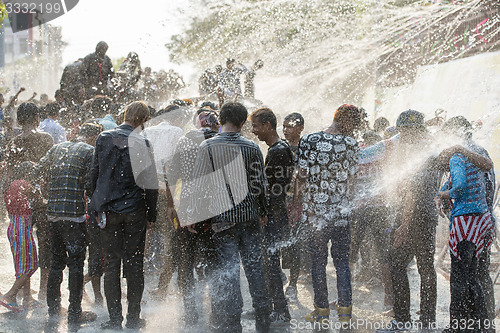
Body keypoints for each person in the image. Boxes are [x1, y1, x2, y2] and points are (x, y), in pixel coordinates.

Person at [187, 102, 271, 333]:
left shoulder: (208, 146)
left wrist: (193, 213)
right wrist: (262, 211)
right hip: (249, 217)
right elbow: (260, 185)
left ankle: (233, 324)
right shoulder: (252, 147)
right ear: (243, 122)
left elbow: (198, 185)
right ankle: (264, 317)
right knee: (255, 268)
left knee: (230, 271)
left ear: (221, 120)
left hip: (222, 219)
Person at [90, 101, 158, 330]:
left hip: (109, 210)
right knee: (135, 264)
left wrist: (96, 203)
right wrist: (152, 214)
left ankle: (114, 320)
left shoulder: (104, 138)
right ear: (144, 120)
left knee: (111, 265)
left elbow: (94, 175)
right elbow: (150, 182)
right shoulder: (143, 142)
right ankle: (133, 319)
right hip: (135, 211)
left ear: (126, 115)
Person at [293, 104, 362, 326]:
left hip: (315, 217)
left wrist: (297, 204)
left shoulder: (309, 140)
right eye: (354, 124)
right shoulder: (351, 144)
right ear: (344, 120)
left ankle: (322, 313)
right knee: (342, 262)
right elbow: (352, 182)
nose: (355, 130)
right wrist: (348, 205)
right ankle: (345, 315)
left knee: (318, 263)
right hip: (341, 215)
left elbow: (301, 176)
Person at [35, 121, 104, 329]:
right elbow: (91, 183)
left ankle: (53, 309)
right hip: (74, 218)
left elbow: (38, 171)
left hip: (53, 215)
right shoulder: (89, 151)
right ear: (94, 138)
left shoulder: (57, 148)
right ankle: (75, 312)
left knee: (57, 263)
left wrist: (48, 191)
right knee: (75, 264)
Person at [164, 109, 220, 327]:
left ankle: (190, 311)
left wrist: (170, 205)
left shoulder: (184, 141)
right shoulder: (220, 142)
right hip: (214, 209)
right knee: (213, 259)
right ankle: (216, 309)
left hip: (186, 208)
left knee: (185, 261)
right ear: (215, 125)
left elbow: (171, 175)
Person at [435, 145, 494, 333]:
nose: (445, 169)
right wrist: (443, 190)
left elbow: (459, 187)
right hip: (481, 221)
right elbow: (455, 181)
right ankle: (481, 325)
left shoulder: (456, 159)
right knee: (473, 277)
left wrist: (444, 195)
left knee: (459, 279)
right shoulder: (473, 160)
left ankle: (458, 326)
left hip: (465, 224)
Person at [4, 102, 54, 302]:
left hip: (21, 200)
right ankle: (43, 291)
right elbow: (50, 169)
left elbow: (9, 176)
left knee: (24, 247)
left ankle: (27, 294)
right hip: (41, 198)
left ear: (18, 120)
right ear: (37, 118)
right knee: (44, 243)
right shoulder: (46, 138)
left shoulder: (14, 142)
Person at [250, 107, 293, 324]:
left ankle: (281, 311)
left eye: (256, 126)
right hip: (274, 215)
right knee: (268, 264)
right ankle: (268, 306)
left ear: (268, 125)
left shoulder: (278, 150)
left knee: (271, 264)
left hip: (273, 217)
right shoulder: (277, 148)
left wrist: (264, 213)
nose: (253, 131)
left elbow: (275, 189)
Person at [0, 162, 40, 312]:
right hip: (22, 229)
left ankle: (28, 297)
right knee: (31, 265)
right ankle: (10, 295)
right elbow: (41, 197)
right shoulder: (24, 184)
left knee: (23, 264)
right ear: (28, 173)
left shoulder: (12, 185)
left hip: (14, 227)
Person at [280, 112, 307, 301]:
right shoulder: (280, 147)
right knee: (279, 243)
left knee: (295, 244)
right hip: (280, 202)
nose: (286, 130)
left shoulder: (306, 149)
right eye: (284, 126)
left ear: (300, 128)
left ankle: (293, 284)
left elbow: (304, 176)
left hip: (297, 203)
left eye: (290, 126)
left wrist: (297, 202)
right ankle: (280, 277)